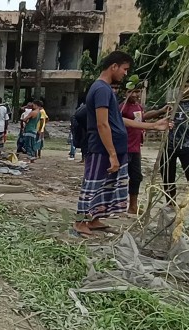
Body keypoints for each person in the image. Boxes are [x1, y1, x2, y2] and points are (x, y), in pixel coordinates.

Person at [74, 51, 170, 236]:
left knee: (105, 185)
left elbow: (118, 120)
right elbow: (102, 124)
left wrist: (153, 125)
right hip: (101, 148)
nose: (125, 74)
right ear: (114, 66)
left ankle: (93, 219)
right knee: (92, 184)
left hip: (112, 147)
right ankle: (80, 223)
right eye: (125, 69)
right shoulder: (101, 89)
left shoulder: (106, 90)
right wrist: (111, 153)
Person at [121, 85, 171, 214]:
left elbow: (143, 117)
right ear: (125, 93)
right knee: (118, 177)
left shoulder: (137, 107)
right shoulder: (121, 108)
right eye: (131, 91)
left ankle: (132, 206)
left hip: (135, 148)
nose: (134, 94)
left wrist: (160, 111)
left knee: (136, 177)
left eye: (137, 91)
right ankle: (113, 206)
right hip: (123, 148)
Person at [161, 88, 189, 205]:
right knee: (167, 178)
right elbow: (150, 115)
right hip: (169, 146)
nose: (186, 89)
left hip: (187, 146)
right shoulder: (171, 104)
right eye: (185, 85)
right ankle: (171, 204)